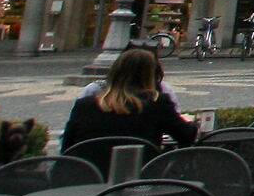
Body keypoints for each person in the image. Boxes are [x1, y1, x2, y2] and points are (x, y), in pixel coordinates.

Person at [61, 48, 200, 153]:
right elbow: (186, 135)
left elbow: (66, 146)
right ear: (150, 75)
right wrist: (193, 123)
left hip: (86, 177)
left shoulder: (85, 105)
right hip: (139, 178)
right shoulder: (156, 103)